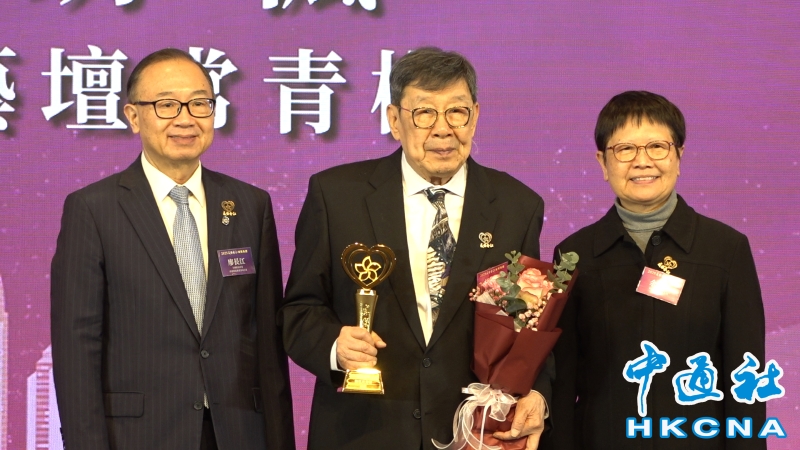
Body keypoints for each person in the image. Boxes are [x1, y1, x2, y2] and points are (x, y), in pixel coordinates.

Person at [280, 47, 552, 450]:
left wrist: (538, 392)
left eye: (456, 112)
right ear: (394, 120)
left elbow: (533, 321)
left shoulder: (518, 206)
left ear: (475, 116)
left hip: (473, 433)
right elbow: (300, 310)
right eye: (424, 113)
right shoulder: (336, 196)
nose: (442, 129)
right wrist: (336, 347)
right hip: (364, 431)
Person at [50, 48, 295, 450]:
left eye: (200, 103)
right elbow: (77, 347)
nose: (185, 119)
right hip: (139, 436)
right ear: (133, 116)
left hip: (237, 433)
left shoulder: (250, 205)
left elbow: (268, 343)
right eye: (166, 105)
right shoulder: (94, 209)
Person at [543, 91, 766, 449]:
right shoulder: (574, 255)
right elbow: (563, 381)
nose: (642, 161)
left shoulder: (726, 249)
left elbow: (746, 377)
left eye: (657, 147)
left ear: (679, 156)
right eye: (625, 149)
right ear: (603, 162)